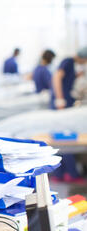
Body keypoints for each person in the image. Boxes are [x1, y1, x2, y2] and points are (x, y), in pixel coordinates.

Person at [50, 46, 87, 183]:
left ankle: (61, 174)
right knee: (65, 139)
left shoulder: (72, 65)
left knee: (63, 138)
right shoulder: (68, 61)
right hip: (62, 104)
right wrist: (60, 99)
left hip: (65, 103)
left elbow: (65, 78)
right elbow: (57, 77)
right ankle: (70, 174)